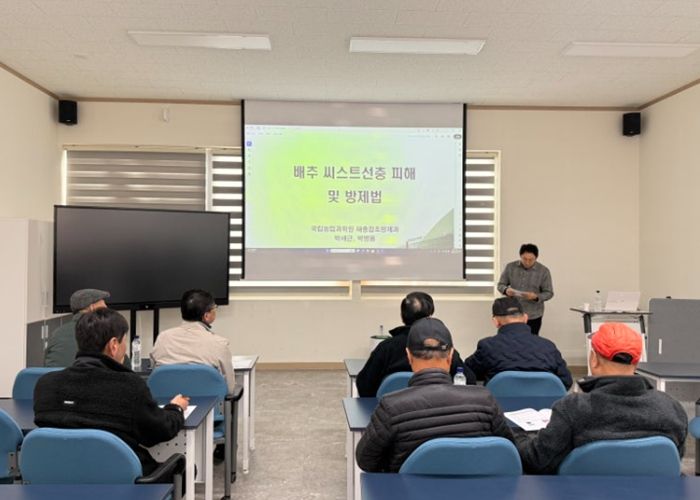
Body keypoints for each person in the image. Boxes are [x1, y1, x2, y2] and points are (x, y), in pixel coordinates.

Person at [515, 322, 688, 474]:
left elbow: (538, 461)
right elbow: (674, 459)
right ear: (636, 362)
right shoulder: (671, 407)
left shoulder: (572, 408)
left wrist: (518, 437)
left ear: (594, 360)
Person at [34, 308, 189, 476]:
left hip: (58, 476)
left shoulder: (45, 385)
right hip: (121, 478)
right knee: (185, 470)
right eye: (124, 342)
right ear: (114, 345)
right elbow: (158, 432)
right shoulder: (130, 386)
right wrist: (175, 408)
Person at [355, 317, 515, 473]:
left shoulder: (391, 406)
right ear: (451, 356)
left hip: (410, 489)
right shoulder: (484, 400)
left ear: (409, 356)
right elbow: (508, 448)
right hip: (476, 487)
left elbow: (365, 460)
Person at [356, 292, 474, 397]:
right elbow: (469, 381)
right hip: (437, 410)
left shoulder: (386, 348)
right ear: (430, 316)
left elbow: (364, 386)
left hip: (391, 411)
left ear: (402, 316)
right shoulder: (442, 348)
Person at [464, 297, 572, 389]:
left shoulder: (488, 346)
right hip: (543, 406)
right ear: (525, 318)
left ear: (496, 321)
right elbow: (566, 381)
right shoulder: (548, 346)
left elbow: (466, 373)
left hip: (499, 406)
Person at [151, 289, 235, 392]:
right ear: (206, 316)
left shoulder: (163, 338)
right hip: (207, 402)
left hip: (168, 401)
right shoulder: (219, 344)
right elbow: (229, 388)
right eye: (215, 307)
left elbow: (155, 374)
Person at [497, 243, 553, 335]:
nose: (527, 262)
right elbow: (501, 285)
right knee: (510, 339)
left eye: (531, 260)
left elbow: (549, 292)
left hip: (533, 315)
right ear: (520, 256)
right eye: (524, 259)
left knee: (531, 340)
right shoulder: (510, 267)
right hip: (512, 313)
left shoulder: (544, 271)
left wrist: (536, 296)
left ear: (536, 258)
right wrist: (506, 290)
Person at [44, 288, 109, 367]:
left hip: (55, 375)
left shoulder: (57, 333)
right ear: (92, 307)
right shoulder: (102, 331)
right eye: (103, 305)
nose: (106, 308)